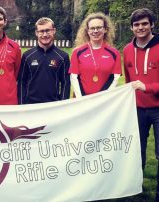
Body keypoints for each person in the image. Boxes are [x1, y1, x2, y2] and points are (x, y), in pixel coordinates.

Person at [123, 8, 159, 199]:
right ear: (132, 28)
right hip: (137, 109)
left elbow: (142, 84)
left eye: (145, 23)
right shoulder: (128, 50)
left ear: (152, 24)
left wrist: (148, 87)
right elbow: (128, 80)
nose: (141, 27)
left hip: (158, 107)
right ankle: (137, 186)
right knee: (138, 150)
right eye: (137, 24)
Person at [18, 17, 70, 104]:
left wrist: (62, 106)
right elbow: (21, 83)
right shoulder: (27, 56)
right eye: (41, 31)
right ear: (36, 33)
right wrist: (21, 105)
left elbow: (66, 84)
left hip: (53, 106)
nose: (45, 34)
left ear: (54, 31)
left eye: (48, 30)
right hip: (30, 106)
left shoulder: (63, 57)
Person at [69, 12, 121, 97]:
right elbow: (74, 78)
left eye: (99, 27)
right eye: (92, 28)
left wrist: (102, 99)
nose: (95, 31)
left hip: (105, 101)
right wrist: (82, 99)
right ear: (88, 31)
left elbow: (114, 78)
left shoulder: (114, 53)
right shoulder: (77, 52)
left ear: (105, 29)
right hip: (82, 101)